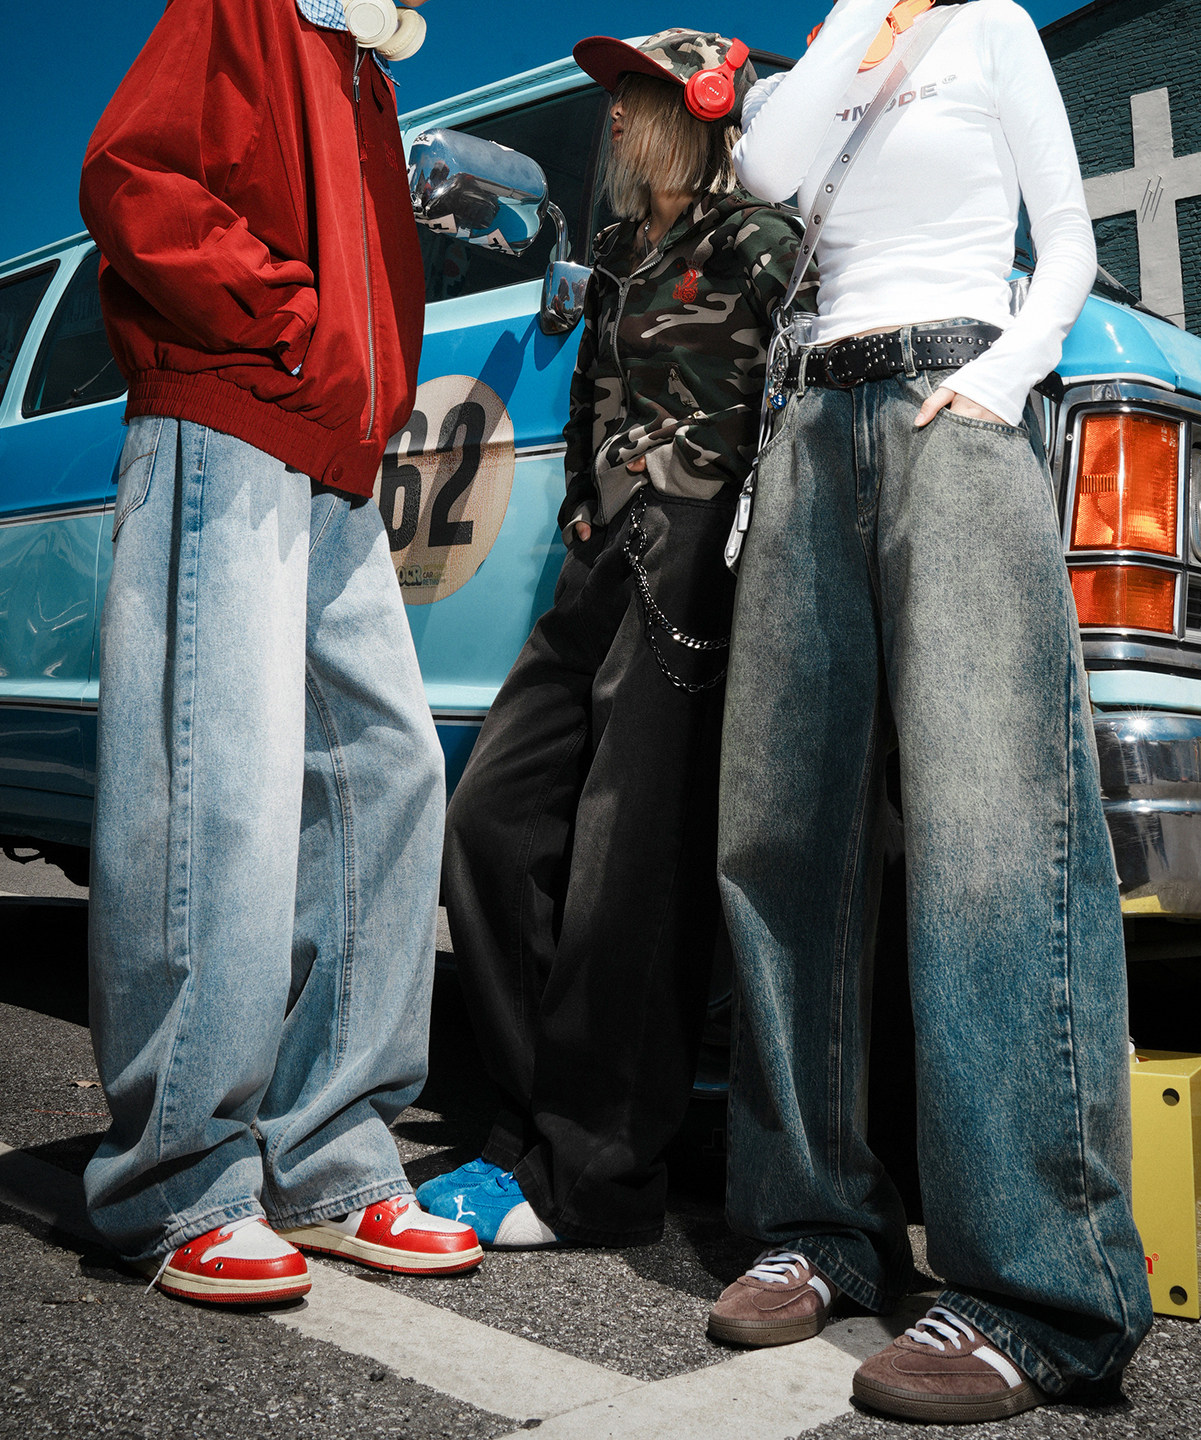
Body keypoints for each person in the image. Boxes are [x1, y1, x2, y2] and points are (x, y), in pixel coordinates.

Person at [707, 0, 1153, 1422]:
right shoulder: (837, 49)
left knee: (989, 834)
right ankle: (817, 1224)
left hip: (951, 401)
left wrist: (999, 379)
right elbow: (768, 170)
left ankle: (1041, 1291)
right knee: (780, 834)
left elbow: (1067, 238)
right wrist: (864, 20)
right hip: (808, 422)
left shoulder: (995, 27)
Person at [79, 0, 482, 1306]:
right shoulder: (248, 8)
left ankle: (332, 1162)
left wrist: (356, 377)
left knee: (389, 773)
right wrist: (285, 317)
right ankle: (179, 1177)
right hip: (230, 411)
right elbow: (132, 173)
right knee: (223, 793)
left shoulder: (363, 70)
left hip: (331, 454)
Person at [424, 30, 813, 1250]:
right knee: (491, 821)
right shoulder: (617, 252)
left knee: (625, 867)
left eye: (632, 96)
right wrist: (586, 515)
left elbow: (802, 403)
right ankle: (537, 1124)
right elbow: (595, 390)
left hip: (696, 566)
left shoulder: (764, 242)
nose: (613, 118)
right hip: (603, 560)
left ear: (696, 106)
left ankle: (596, 1179)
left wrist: (739, 546)